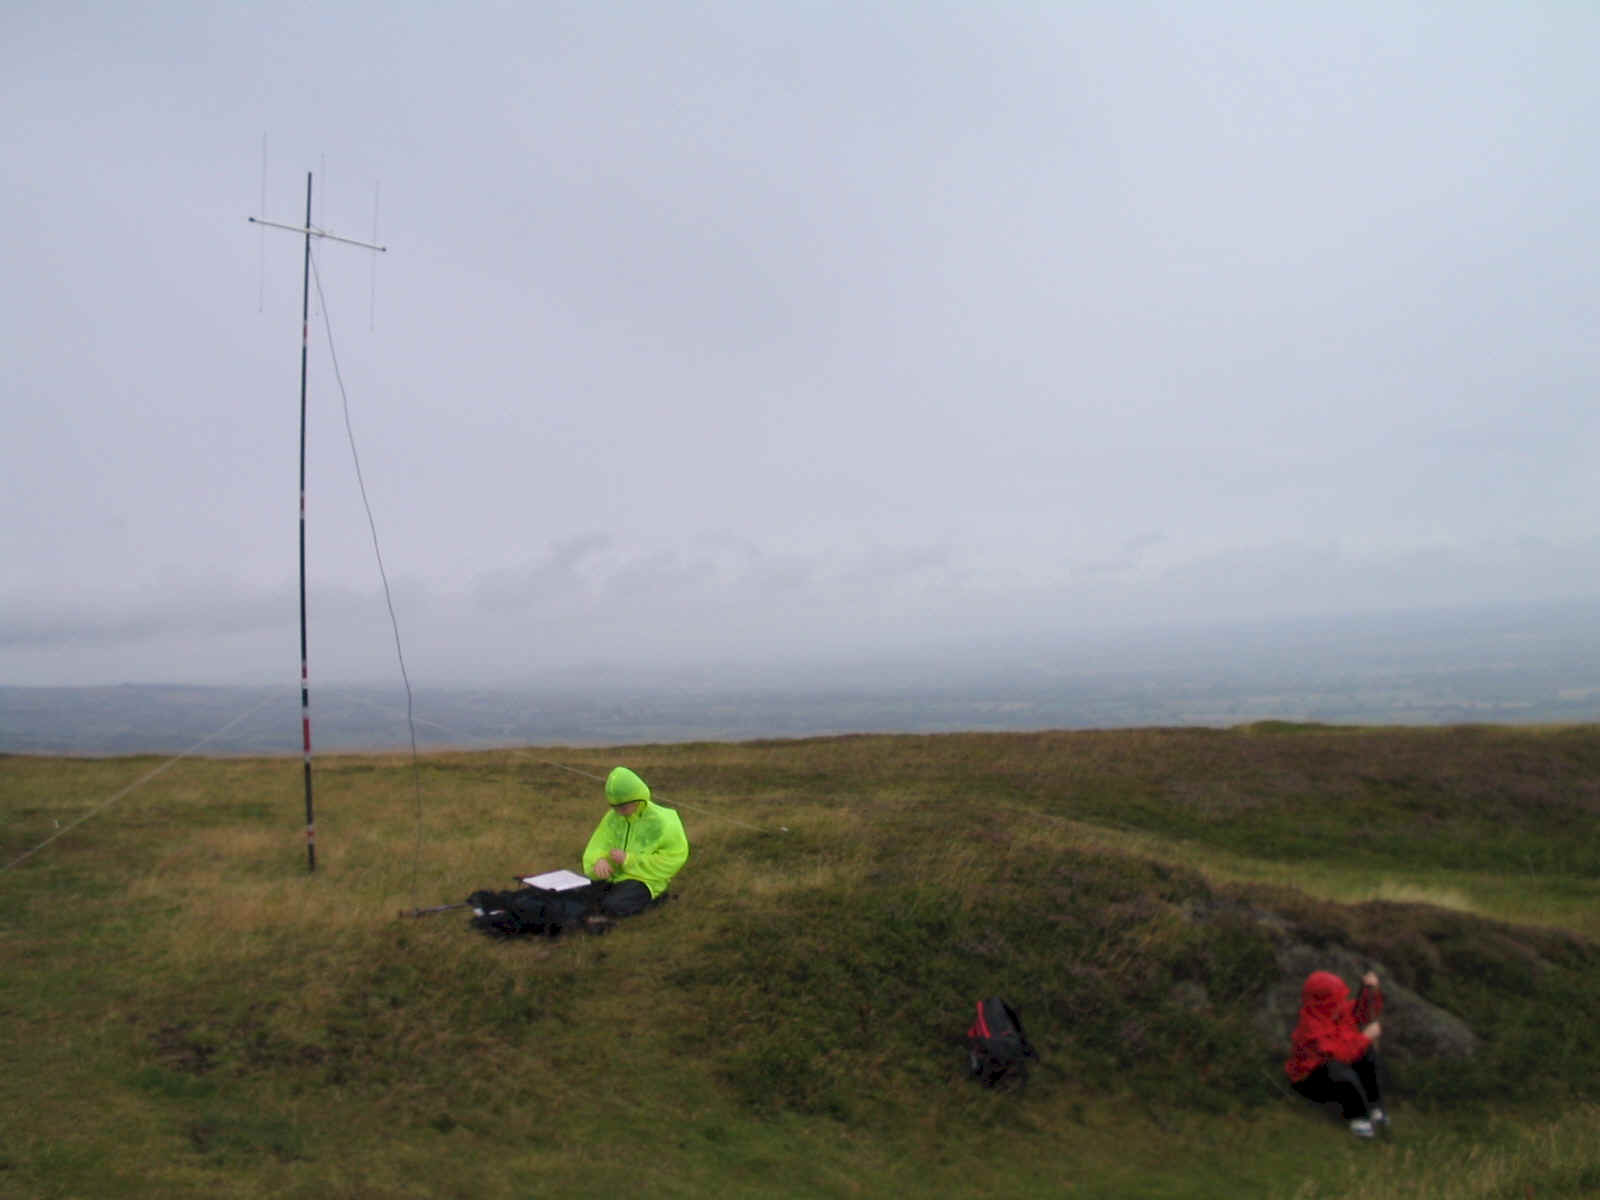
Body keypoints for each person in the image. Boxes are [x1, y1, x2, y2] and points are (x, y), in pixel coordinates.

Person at [1285, 969, 1387, 1138]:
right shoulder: (1311, 1027)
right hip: (1310, 1079)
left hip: (1337, 1066)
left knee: (1367, 1056)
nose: (1342, 1002)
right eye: (1337, 999)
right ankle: (1359, 1118)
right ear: (1325, 1001)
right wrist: (1365, 1037)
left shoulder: (1334, 1011)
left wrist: (1368, 992)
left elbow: (1361, 1013)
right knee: (1341, 1073)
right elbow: (1339, 1055)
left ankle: (1375, 1107)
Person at [580, 766, 689, 919]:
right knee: (581, 899)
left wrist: (629, 860)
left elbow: (673, 858)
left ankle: (658, 899)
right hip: (613, 877)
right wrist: (599, 861)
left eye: (623, 807)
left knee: (613, 906)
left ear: (639, 799)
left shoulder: (664, 821)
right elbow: (597, 845)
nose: (618, 812)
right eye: (614, 807)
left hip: (645, 881)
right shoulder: (612, 817)